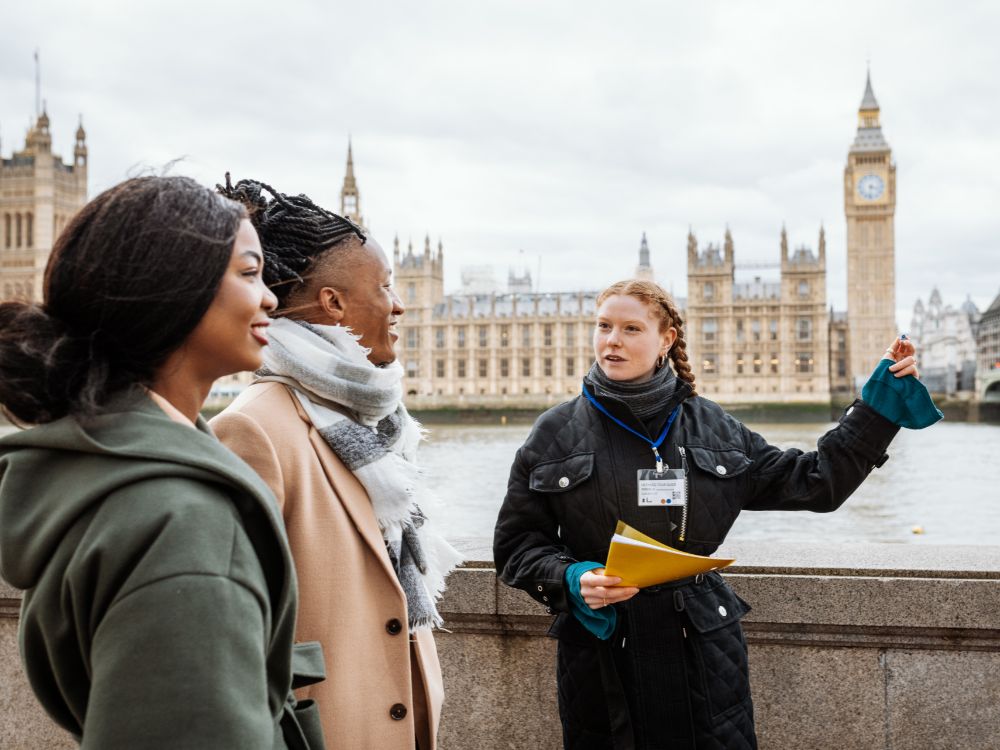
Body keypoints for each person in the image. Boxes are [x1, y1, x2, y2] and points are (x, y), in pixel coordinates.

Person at [493, 278, 939, 750]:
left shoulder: (712, 425)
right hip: (604, 652)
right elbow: (517, 547)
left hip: (702, 650)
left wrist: (876, 411)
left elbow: (815, 482)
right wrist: (571, 579)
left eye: (630, 328)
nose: (611, 340)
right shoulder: (555, 432)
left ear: (666, 339)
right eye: (603, 326)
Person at [0, 176, 326, 749]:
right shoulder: (186, 522)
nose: (271, 296)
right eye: (249, 272)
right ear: (175, 290)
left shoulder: (89, 471)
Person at [211, 176, 462, 750]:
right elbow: (230, 643)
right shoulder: (254, 428)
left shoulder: (381, 427)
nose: (399, 305)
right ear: (333, 303)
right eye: (386, 286)